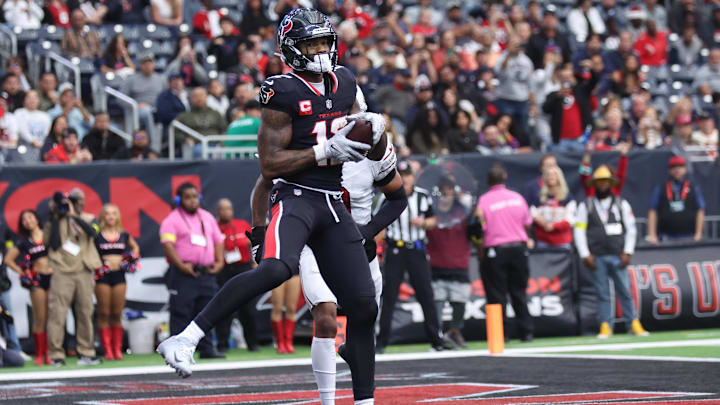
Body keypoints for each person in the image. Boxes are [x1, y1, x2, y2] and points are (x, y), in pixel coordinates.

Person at [158, 9, 386, 404]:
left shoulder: (346, 80)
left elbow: (361, 130)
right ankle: (186, 337)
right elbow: (269, 166)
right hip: (296, 194)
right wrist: (322, 150)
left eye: (323, 42)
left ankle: (364, 400)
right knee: (277, 268)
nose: (319, 51)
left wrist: (375, 128)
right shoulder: (281, 90)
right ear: (291, 50)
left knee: (365, 306)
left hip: (333, 202)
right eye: (311, 44)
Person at [376, 161, 452, 353]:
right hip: (395, 250)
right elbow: (378, 224)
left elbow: (434, 220)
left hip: (417, 249)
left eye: (408, 175)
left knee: (426, 295)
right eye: (402, 175)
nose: (406, 178)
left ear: (413, 176)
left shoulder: (423, 196)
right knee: (389, 296)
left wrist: (423, 222)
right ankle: (381, 342)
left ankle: (436, 340)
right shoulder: (387, 197)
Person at [574, 166, 649, 339]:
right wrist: (585, 254)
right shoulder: (586, 205)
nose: (602, 185)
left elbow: (631, 229)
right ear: (595, 184)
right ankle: (606, 324)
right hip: (597, 254)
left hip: (617, 254)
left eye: (605, 182)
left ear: (610, 183)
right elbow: (579, 231)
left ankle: (633, 322)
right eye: (599, 182)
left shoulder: (621, 203)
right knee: (602, 292)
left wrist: (628, 251)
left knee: (624, 289)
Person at [158, 183, 226, 359]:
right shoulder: (172, 220)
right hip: (184, 273)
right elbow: (168, 245)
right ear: (179, 200)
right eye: (187, 197)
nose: (192, 200)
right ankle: (178, 352)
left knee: (207, 312)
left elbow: (218, 240)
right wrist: (180, 264)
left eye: (195, 196)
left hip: (206, 273)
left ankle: (207, 349)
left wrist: (219, 262)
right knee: (181, 313)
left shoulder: (207, 217)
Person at [475, 163, 534, 341]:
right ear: (505, 177)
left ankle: (501, 334)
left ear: (488, 181)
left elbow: (479, 228)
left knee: (497, 294)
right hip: (518, 248)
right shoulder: (517, 198)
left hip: (495, 251)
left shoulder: (484, 201)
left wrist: (480, 251)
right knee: (519, 292)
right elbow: (527, 224)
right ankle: (527, 332)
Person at [44, 191, 103, 366]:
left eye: (79, 200)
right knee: (57, 314)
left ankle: (86, 352)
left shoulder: (89, 217)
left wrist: (74, 217)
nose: (78, 203)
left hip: (84, 270)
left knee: (85, 312)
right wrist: (56, 217)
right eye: (73, 201)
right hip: (61, 271)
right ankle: (56, 355)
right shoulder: (53, 221)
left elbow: (94, 234)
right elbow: (51, 244)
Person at [426, 177, 478, 349]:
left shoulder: (463, 211)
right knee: (438, 303)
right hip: (436, 264)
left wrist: (477, 218)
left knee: (460, 302)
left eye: (449, 189)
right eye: (442, 190)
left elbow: (476, 233)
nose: (445, 193)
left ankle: (455, 332)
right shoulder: (430, 212)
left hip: (459, 264)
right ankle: (438, 337)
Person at [4, 210, 51, 365]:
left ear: (37, 218)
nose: (28, 221)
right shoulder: (24, 241)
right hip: (36, 280)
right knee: (39, 317)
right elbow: (8, 260)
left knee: (52, 317)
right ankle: (39, 354)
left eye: (30, 217)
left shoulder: (49, 234)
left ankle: (50, 352)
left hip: (53, 277)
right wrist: (23, 272)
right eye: (24, 219)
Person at [94, 203, 140, 360]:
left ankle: (117, 349)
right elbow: (90, 253)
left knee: (117, 313)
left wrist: (129, 259)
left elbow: (135, 248)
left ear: (118, 216)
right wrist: (99, 262)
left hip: (119, 275)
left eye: (114, 213)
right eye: (107, 213)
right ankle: (107, 349)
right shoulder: (97, 235)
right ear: (102, 217)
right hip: (103, 276)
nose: (111, 216)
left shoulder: (124, 235)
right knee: (104, 312)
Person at [214, 199, 257, 352]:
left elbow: (254, 242)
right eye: (223, 209)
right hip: (224, 270)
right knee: (224, 307)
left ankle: (252, 343)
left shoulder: (241, 224)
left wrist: (255, 261)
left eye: (229, 208)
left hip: (244, 268)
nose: (226, 211)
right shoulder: (214, 227)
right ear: (218, 211)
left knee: (248, 308)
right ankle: (222, 343)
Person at [647, 156, 705, 243]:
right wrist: (652, 235)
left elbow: (700, 210)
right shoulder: (661, 188)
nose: (677, 170)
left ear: (685, 169)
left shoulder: (693, 188)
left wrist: (698, 233)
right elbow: (652, 211)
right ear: (669, 170)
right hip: (665, 236)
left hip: (689, 236)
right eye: (674, 167)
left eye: (680, 167)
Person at [529, 165, 576, 248]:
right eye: (548, 174)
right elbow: (532, 212)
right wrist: (539, 219)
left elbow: (570, 220)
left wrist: (553, 226)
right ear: (544, 178)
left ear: (559, 177)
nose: (551, 177)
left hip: (562, 242)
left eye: (554, 174)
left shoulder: (567, 197)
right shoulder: (539, 196)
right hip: (543, 240)